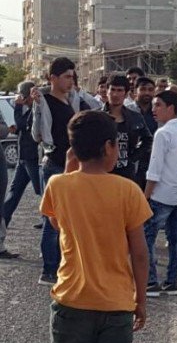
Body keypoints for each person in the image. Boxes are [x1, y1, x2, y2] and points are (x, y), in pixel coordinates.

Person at [41, 110, 152, 343]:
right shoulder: (128, 190)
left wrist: (67, 169)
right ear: (107, 147)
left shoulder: (58, 184)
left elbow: (56, 223)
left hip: (71, 302)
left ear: (73, 149)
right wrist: (140, 301)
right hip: (116, 306)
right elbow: (141, 253)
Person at [32, 57, 91, 285]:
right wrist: (36, 102)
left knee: (70, 218)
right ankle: (48, 270)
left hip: (73, 164)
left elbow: (94, 108)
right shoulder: (43, 100)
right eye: (67, 76)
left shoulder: (72, 100)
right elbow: (36, 134)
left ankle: (63, 265)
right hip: (54, 164)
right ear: (53, 78)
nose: (71, 81)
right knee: (52, 218)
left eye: (72, 77)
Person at [142, 90, 177, 297]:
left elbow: (155, 169)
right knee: (174, 240)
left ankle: (151, 281)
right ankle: (172, 282)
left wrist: (145, 196)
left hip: (161, 195)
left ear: (170, 108)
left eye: (158, 105)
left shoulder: (163, 134)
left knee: (147, 238)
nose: (154, 110)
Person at [2, 81, 41, 235]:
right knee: (14, 192)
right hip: (24, 157)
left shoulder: (34, 109)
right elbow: (22, 128)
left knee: (41, 189)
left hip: (32, 157)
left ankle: (48, 219)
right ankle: (3, 222)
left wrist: (18, 108)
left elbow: (24, 124)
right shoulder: (28, 110)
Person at [103, 74, 153, 185]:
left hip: (126, 173)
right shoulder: (96, 116)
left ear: (125, 94)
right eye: (112, 90)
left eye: (120, 90)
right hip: (102, 172)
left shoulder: (135, 117)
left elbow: (148, 139)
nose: (115, 94)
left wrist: (133, 158)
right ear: (107, 91)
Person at [131, 77, 157, 189]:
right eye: (143, 89)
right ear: (135, 91)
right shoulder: (128, 111)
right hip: (133, 162)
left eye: (150, 89)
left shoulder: (158, 112)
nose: (147, 92)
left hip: (153, 162)